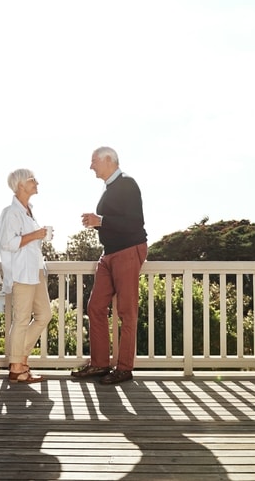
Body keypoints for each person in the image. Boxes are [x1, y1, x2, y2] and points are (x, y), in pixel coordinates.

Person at [71, 147, 147, 385]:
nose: (91, 166)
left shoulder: (127, 184)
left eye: (94, 161)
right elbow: (115, 222)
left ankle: (124, 368)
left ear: (108, 161)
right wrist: (97, 223)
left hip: (127, 250)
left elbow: (135, 223)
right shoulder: (110, 188)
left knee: (126, 311)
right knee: (95, 306)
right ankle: (100, 364)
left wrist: (101, 221)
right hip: (110, 254)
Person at [0, 168, 53, 384]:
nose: (36, 182)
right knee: (21, 320)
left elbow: (28, 242)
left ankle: (19, 360)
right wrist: (36, 234)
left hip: (36, 271)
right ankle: (17, 368)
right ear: (20, 185)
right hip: (21, 273)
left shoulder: (29, 210)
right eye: (32, 180)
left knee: (44, 315)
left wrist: (40, 237)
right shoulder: (10, 213)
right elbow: (8, 242)